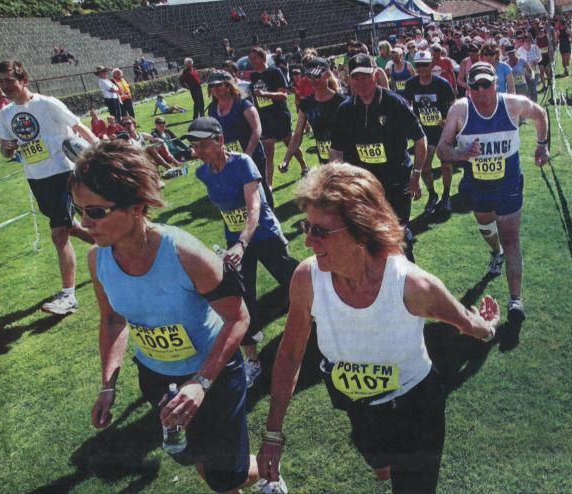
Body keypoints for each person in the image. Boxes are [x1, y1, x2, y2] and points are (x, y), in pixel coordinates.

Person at [256, 163, 500, 494]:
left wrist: (487, 327)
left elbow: (463, 321)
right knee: (382, 466)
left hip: (414, 409)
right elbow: (289, 354)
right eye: (307, 227)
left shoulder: (411, 285)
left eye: (321, 232)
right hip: (355, 404)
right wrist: (272, 433)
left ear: (361, 229)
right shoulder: (306, 278)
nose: (308, 242)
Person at [73, 140, 285, 494]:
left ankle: (268, 476)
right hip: (157, 378)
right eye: (78, 209)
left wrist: (200, 383)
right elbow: (112, 320)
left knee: (225, 477)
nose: (83, 222)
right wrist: (108, 385)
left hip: (214, 377)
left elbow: (238, 318)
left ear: (137, 206)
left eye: (96, 211)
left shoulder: (185, 252)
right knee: (193, 456)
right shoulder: (98, 259)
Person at [187, 117, 299, 390]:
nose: (197, 152)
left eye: (203, 145)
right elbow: (228, 210)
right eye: (194, 146)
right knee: (240, 298)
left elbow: (254, 209)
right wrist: (233, 243)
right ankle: (252, 360)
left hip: (263, 236)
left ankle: (322, 317)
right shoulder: (203, 173)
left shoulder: (243, 164)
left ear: (220, 141)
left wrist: (242, 243)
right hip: (236, 242)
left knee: (294, 281)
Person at [437, 62, 549, 321]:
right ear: (469, 88)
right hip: (478, 187)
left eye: (486, 84)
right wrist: (462, 154)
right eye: (475, 85)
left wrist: (541, 146)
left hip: (508, 185)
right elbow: (442, 149)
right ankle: (494, 252)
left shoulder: (512, 104)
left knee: (511, 238)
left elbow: (540, 113)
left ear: (495, 84)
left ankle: (515, 300)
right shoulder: (460, 110)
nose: (481, 90)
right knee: (487, 228)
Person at [0, 60, 97, 315]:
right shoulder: (6, 114)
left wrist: (100, 152)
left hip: (62, 173)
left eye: (9, 80)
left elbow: (78, 127)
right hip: (36, 178)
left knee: (58, 234)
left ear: (23, 79)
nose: (5, 86)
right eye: (0, 81)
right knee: (70, 226)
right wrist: (7, 149)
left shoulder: (47, 103)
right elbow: (6, 148)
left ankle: (68, 297)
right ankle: (113, 244)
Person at [330, 54, 427, 261]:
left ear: (375, 76)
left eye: (366, 77)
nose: (361, 83)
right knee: (368, 235)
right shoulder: (345, 110)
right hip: (363, 186)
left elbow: (420, 140)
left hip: (396, 181)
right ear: (349, 80)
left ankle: (408, 276)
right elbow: (336, 151)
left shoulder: (394, 103)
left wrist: (416, 175)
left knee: (398, 231)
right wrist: (339, 183)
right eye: (356, 78)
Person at [206, 70, 274, 207]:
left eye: (219, 85)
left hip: (252, 154)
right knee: (239, 190)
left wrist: (247, 155)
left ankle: (270, 217)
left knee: (260, 188)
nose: (215, 89)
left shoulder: (243, 104)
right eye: (212, 87)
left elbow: (256, 130)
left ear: (228, 85)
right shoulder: (212, 109)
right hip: (229, 157)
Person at [249, 46, 309, 188]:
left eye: (255, 58)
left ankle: (304, 166)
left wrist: (265, 94)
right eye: (250, 59)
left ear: (263, 58)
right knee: (268, 151)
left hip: (279, 114)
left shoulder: (274, 72)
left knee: (289, 142)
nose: (252, 61)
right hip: (264, 117)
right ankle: (269, 185)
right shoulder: (253, 76)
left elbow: (283, 95)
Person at [405, 51, 456, 214]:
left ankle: (446, 195)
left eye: (425, 65)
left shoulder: (442, 84)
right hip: (424, 132)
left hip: (442, 131)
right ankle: (432, 194)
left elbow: (454, 105)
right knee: (425, 165)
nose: (421, 68)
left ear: (431, 65)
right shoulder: (411, 84)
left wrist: (448, 120)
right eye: (418, 65)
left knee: (446, 164)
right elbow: (408, 106)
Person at [279, 57, 345, 170]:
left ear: (328, 75)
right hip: (325, 163)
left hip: (346, 161)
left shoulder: (342, 102)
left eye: (317, 76)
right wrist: (286, 159)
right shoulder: (306, 104)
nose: (313, 80)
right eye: (309, 76)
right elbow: (298, 134)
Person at [516, 34, 541, 102]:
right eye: (526, 41)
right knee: (527, 90)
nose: (528, 42)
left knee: (533, 88)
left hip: (535, 72)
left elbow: (540, 57)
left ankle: (535, 104)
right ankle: (528, 105)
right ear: (523, 42)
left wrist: (536, 61)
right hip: (525, 73)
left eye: (529, 40)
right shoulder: (519, 50)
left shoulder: (535, 47)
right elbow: (518, 62)